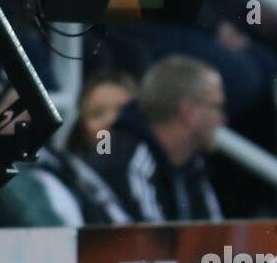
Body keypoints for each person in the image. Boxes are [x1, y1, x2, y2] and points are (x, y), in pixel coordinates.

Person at [89, 55, 225, 223]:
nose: (222, 119)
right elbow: (150, 244)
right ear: (188, 112)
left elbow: (214, 234)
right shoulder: (128, 164)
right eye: (217, 107)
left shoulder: (191, 163)